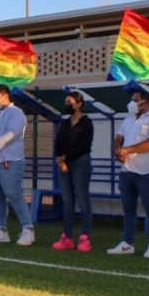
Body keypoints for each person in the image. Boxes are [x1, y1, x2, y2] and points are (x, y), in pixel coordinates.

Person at [108, 90, 149, 257]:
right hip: (126, 171)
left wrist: (127, 150)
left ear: (145, 101)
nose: (132, 103)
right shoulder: (128, 119)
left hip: (147, 172)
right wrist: (118, 151)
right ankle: (127, 243)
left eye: (135, 100)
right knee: (129, 210)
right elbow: (118, 138)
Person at [0, 84, 35, 246]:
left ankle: (28, 229)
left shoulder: (16, 113)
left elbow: (12, 133)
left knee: (14, 194)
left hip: (9, 161)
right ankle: (1, 230)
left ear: (5, 96)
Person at [52, 90, 95, 252]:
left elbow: (85, 146)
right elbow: (58, 142)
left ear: (79, 104)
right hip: (64, 164)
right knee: (68, 201)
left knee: (83, 200)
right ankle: (67, 237)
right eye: (66, 102)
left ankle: (85, 238)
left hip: (80, 163)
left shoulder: (86, 123)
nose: (67, 105)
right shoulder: (64, 123)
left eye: (69, 102)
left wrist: (66, 158)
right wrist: (59, 158)